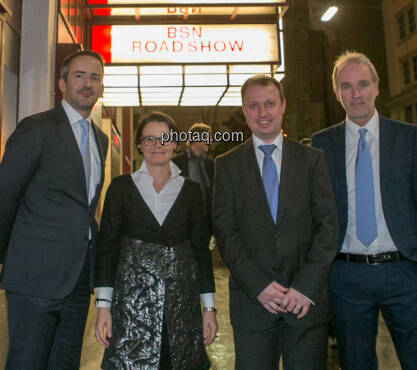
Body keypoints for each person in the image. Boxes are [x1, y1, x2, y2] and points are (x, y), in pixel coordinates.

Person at [213, 75, 338, 370]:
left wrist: (305, 286)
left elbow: (328, 227)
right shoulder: (228, 165)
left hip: (305, 304)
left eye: (270, 103)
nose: (263, 113)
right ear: (244, 111)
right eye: (253, 106)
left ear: (283, 106)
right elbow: (225, 232)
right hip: (253, 305)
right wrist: (259, 285)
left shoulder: (312, 160)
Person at [0, 49, 108, 370]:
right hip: (34, 279)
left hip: (77, 281)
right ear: (62, 83)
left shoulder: (99, 140)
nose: (88, 84)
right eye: (79, 75)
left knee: (64, 364)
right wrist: (7, 258)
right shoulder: (37, 129)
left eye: (95, 77)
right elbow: (5, 196)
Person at [312, 51, 417, 370]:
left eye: (362, 84)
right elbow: (315, 212)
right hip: (347, 277)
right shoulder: (321, 144)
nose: (355, 94)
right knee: (355, 363)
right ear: (336, 92)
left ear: (377, 87)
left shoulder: (409, 138)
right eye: (346, 86)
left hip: (404, 272)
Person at [95, 111, 217, 370]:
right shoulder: (120, 188)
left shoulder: (192, 191)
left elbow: (200, 253)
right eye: (149, 139)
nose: (158, 145)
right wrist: (103, 306)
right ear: (139, 145)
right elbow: (107, 249)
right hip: (131, 308)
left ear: (175, 143)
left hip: (181, 306)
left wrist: (209, 309)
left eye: (165, 138)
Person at [173, 122, 215, 234]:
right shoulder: (176, 164)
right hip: (182, 225)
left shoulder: (213, 165)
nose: (210, 142)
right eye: (207, 138)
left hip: (206, 226)